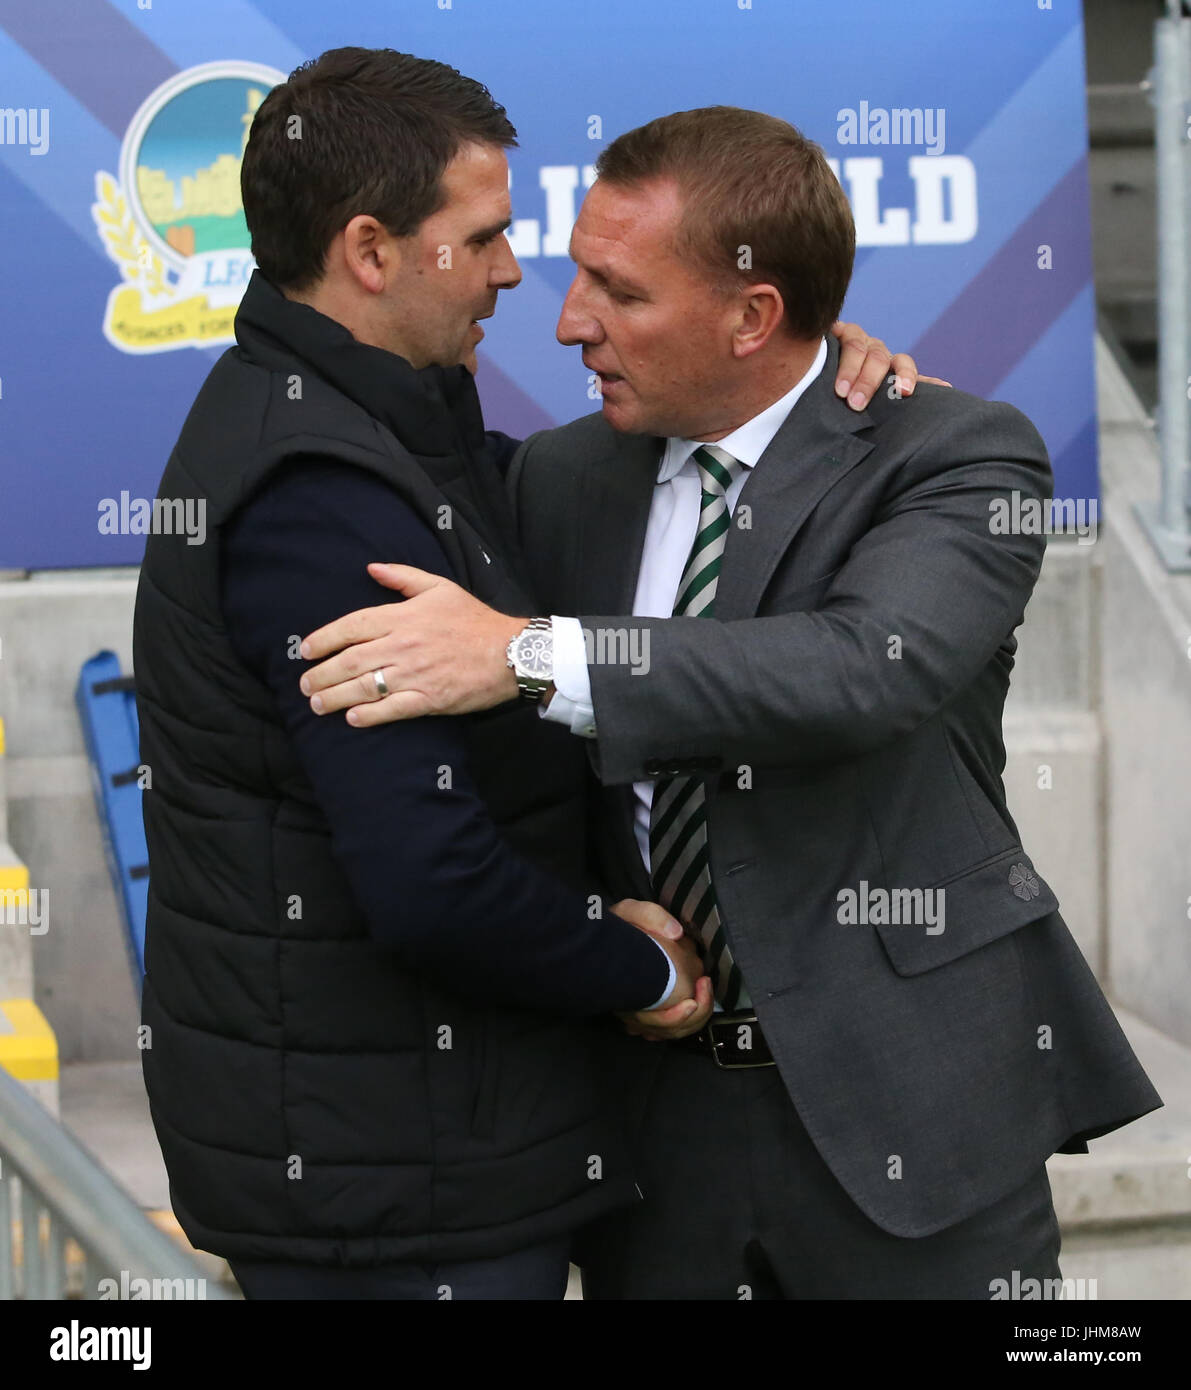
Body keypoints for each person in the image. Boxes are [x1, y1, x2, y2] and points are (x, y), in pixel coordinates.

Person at [299, 105, 1163, 1300]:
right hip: (650, 1110)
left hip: (908, 1105)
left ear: (755, 315)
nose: (568, 321)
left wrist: (534, 655)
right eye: (576, 275)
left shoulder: (954, 454)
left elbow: (865, 668)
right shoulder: (558, 476)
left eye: (621, 291)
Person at [132, 50, 907, 1300]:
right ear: (373, 251)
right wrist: (639, 966)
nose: (516, 277)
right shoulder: (319, 493)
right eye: (486, 236)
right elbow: (428, 875)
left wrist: (797, 372)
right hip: (394, 1189)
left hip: (424, 1149)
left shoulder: (391, 426)